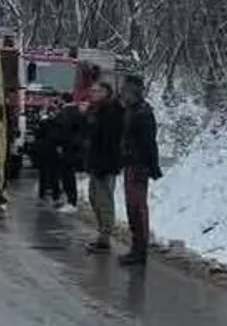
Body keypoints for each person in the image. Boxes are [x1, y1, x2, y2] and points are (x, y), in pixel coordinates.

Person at [119, 74, 161, 266]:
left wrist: (152, 166)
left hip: (138, 165)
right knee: (132, 208)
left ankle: (140, 249)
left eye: (127, 90)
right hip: (131, 163)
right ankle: (136, 246)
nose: (124, 93)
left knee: (137, 208)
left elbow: (149, 142)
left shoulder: (142, 113)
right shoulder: (131, 110)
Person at [83, 82, 125, 253]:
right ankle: (102, 232)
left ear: (106, 92)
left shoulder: (112, 111)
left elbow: (110, 140)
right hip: (96, 163)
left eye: (97, 91)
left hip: (106, 164)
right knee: (94, 198)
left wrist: (105, 163)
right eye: (92, 90)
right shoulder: (96, 110)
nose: (93, 93)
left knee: (104, 200)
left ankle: (105, 237)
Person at [51, 93, 83, 213]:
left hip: (66, 149)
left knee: (67, 175)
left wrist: (59, 144)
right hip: (72, 149)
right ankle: (70, 200)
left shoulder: (66, 113)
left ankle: (71, 201)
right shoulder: (77, 112)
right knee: (67, 174)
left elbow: (62, 131)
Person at [33, 101, 62, 206]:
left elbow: (38, 136)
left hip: (45, 152)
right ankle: (55, 198)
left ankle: (43, 197)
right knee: (53, 176)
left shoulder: (44, 123)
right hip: (52, 152)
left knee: (44, 176)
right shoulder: (58, 123)